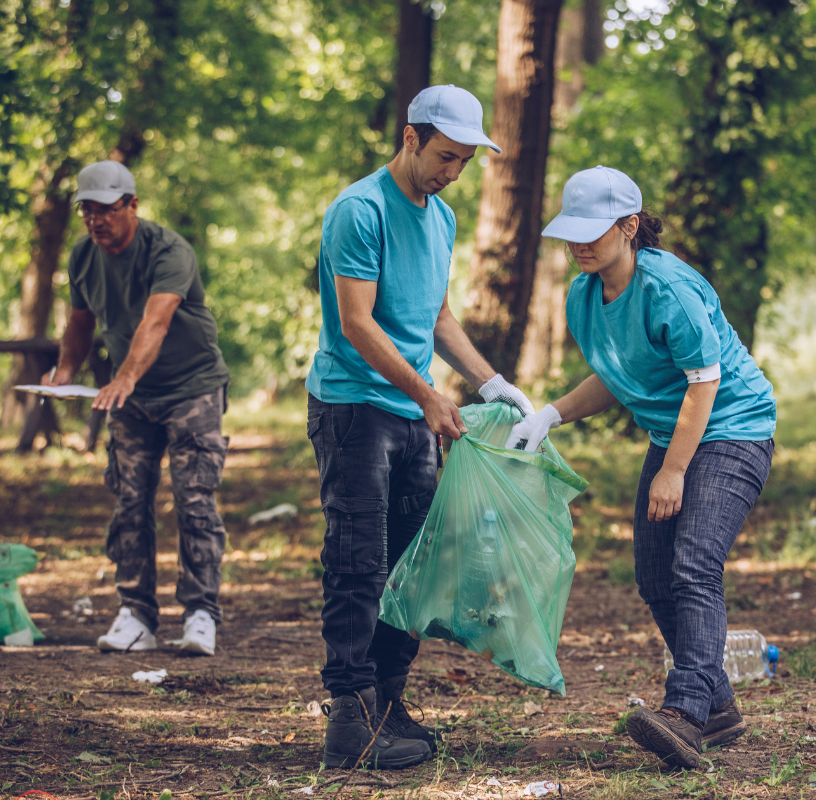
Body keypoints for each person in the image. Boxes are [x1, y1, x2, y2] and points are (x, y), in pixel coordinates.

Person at [509, 166, 777, 769]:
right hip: (675, 431)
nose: (580, 242)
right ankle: (722, 707)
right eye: (571, 230)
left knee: (695, 563)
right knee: (655, 574)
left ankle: (685, 714)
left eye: (593, 229)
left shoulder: (668, 288)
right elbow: (615, 375)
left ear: (630, 227)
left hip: (733, 426)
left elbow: (704, 383)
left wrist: (674, 469)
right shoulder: (584, 295)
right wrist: (549, 415)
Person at [308, 85, 536, 770]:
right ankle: (347, 721)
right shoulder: (360, 210)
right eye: (445, 156)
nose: (452, 172)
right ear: (411, 138)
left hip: (413, 411)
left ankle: (386, 701)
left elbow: (435, 320)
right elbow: (356, 323)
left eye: (464, 161)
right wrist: (430, 395)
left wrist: (492, 383)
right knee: (358, 561)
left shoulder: (441, 218)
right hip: (355, 407)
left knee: (413, 568)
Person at [47, 160, 232, 657]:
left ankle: (200, 614)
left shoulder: (168, 250)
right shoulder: (83, 256)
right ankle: (135, 615)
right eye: (88, 211)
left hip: (191, 388)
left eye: (107, 210)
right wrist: (66, 370)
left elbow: (156, 320)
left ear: (132, 205)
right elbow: (81, 321)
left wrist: (123, 377)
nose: (96, 221)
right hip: (131, 399)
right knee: (129, 502)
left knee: (194, 501)